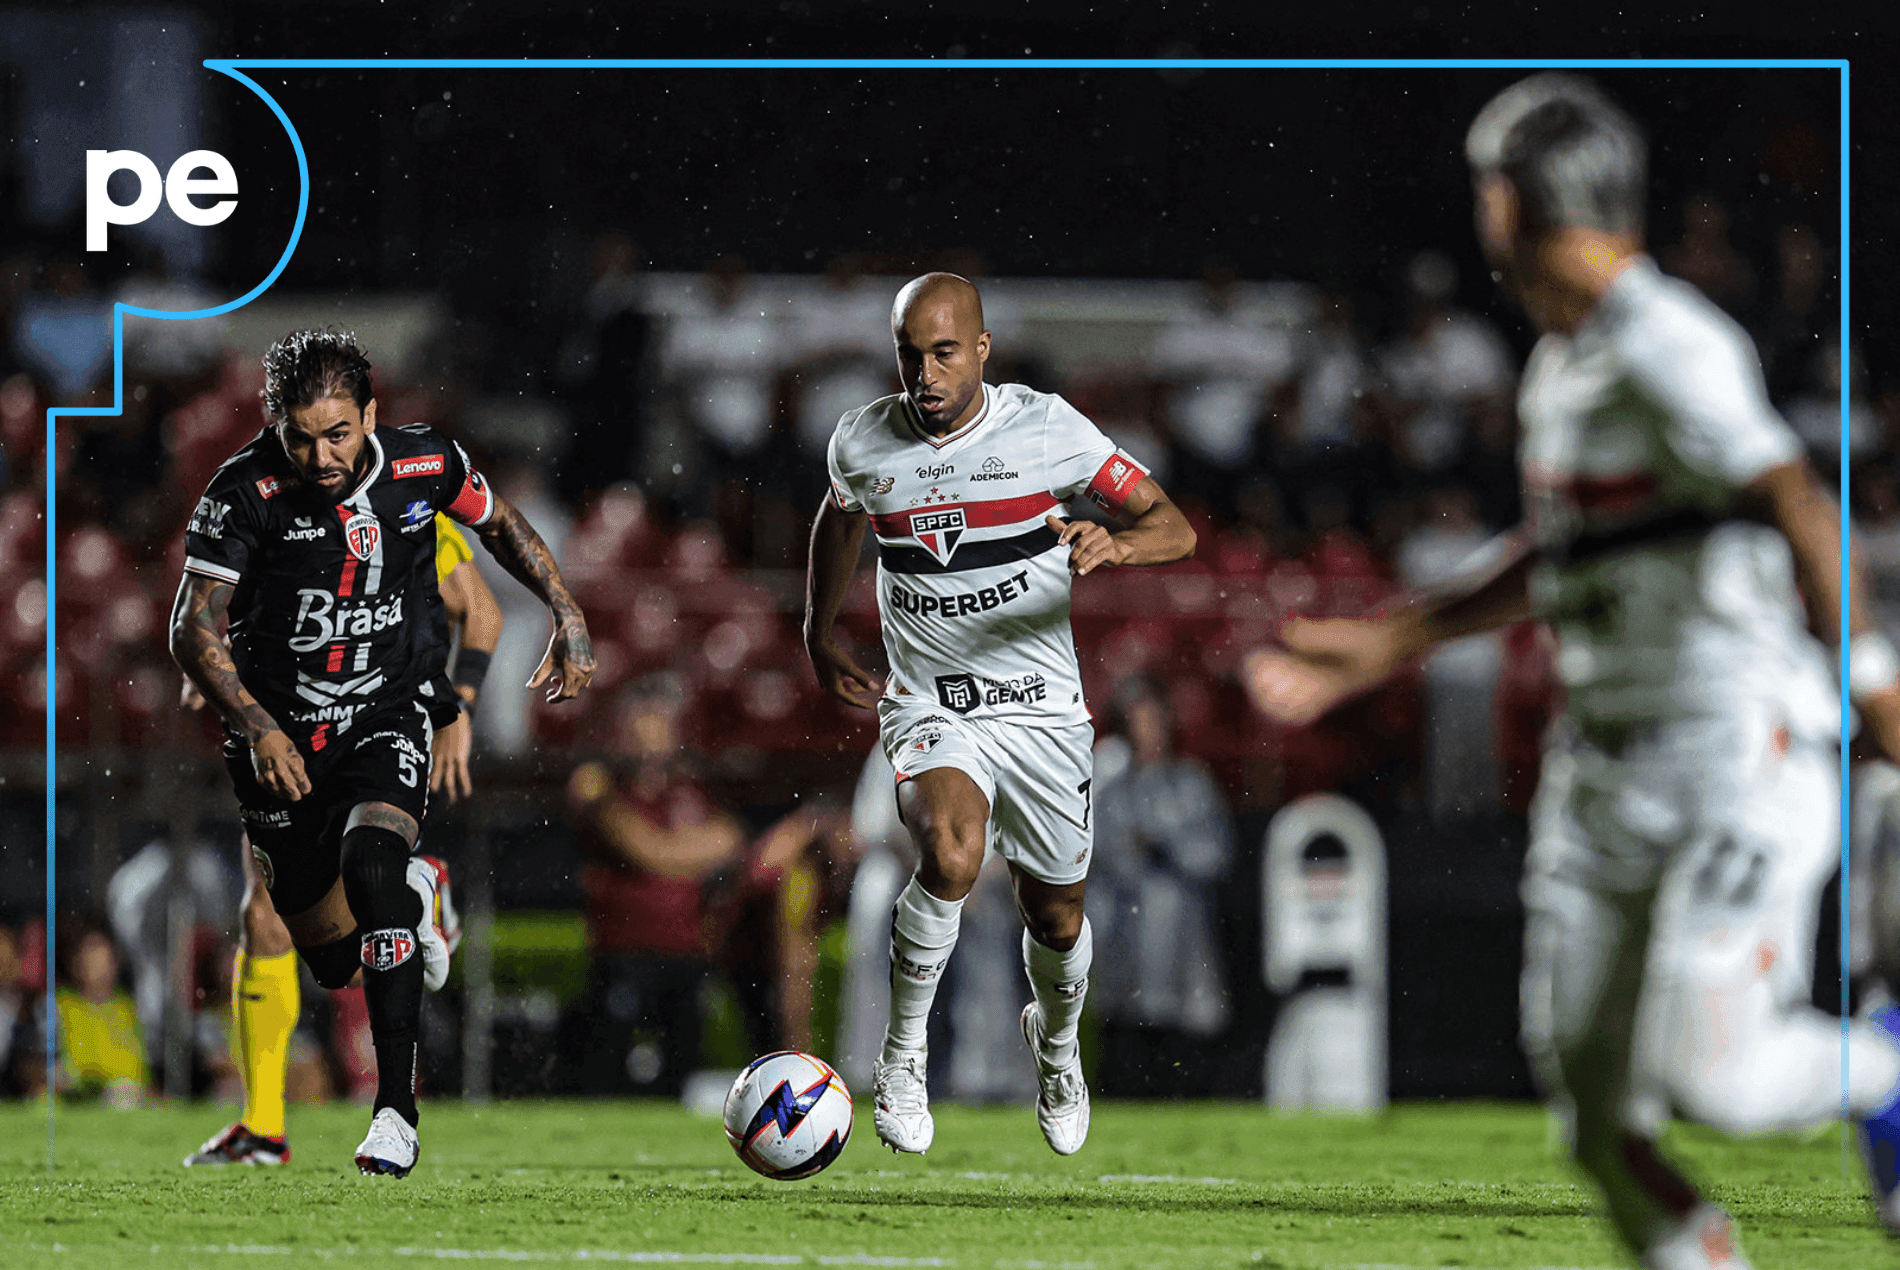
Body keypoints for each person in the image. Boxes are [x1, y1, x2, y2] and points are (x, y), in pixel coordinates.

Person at [1243, 75, 1900, 1266]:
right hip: (1600, 769)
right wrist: (1390, 641)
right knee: (1594, 1118)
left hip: (1727, 748)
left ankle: (1887, 1066)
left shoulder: (1666, 343)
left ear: (1517, 201)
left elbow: (1799, 500)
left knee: (1715, 1076)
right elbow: (1563, 551)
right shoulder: (1562, 363)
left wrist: (1873, 683)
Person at [169, 328, 592, 1177]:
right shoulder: (241, 491)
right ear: (275, 427)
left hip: (386, 713)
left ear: (370, 414)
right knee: (331, 957)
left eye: (338, 434)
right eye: (301, 438)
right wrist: (253, 720)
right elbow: (190, 625)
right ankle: (420, 892)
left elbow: (501, 528)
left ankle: (395, 1114)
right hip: (283, 738)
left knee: (372, 865)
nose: (322, 457)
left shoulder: (422, 466)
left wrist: (566, 614)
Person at [805, 272, 1196, 1156]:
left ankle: (1056, 1051)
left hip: (1043, 713)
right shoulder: (862, 437)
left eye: (945, 353)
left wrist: (1117, 542)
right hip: (931, 701)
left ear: (983, 349)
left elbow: (1175, 526)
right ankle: (902, 1060)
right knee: (948, 853)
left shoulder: (1048, 428)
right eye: (910, 356)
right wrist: (817, 630)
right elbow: (841, 515)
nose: (926, 375)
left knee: (1056, 919)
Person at [182, 512, 504, 1167]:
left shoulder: (397, 505)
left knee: (358, 890)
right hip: (286, 730)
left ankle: (410, 896)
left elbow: (481, 610)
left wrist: (459, 708)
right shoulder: (265, 508)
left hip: (370, 733)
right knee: (284, 928)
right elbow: (227, 604)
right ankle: (263, 1125)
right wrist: (209, 662)